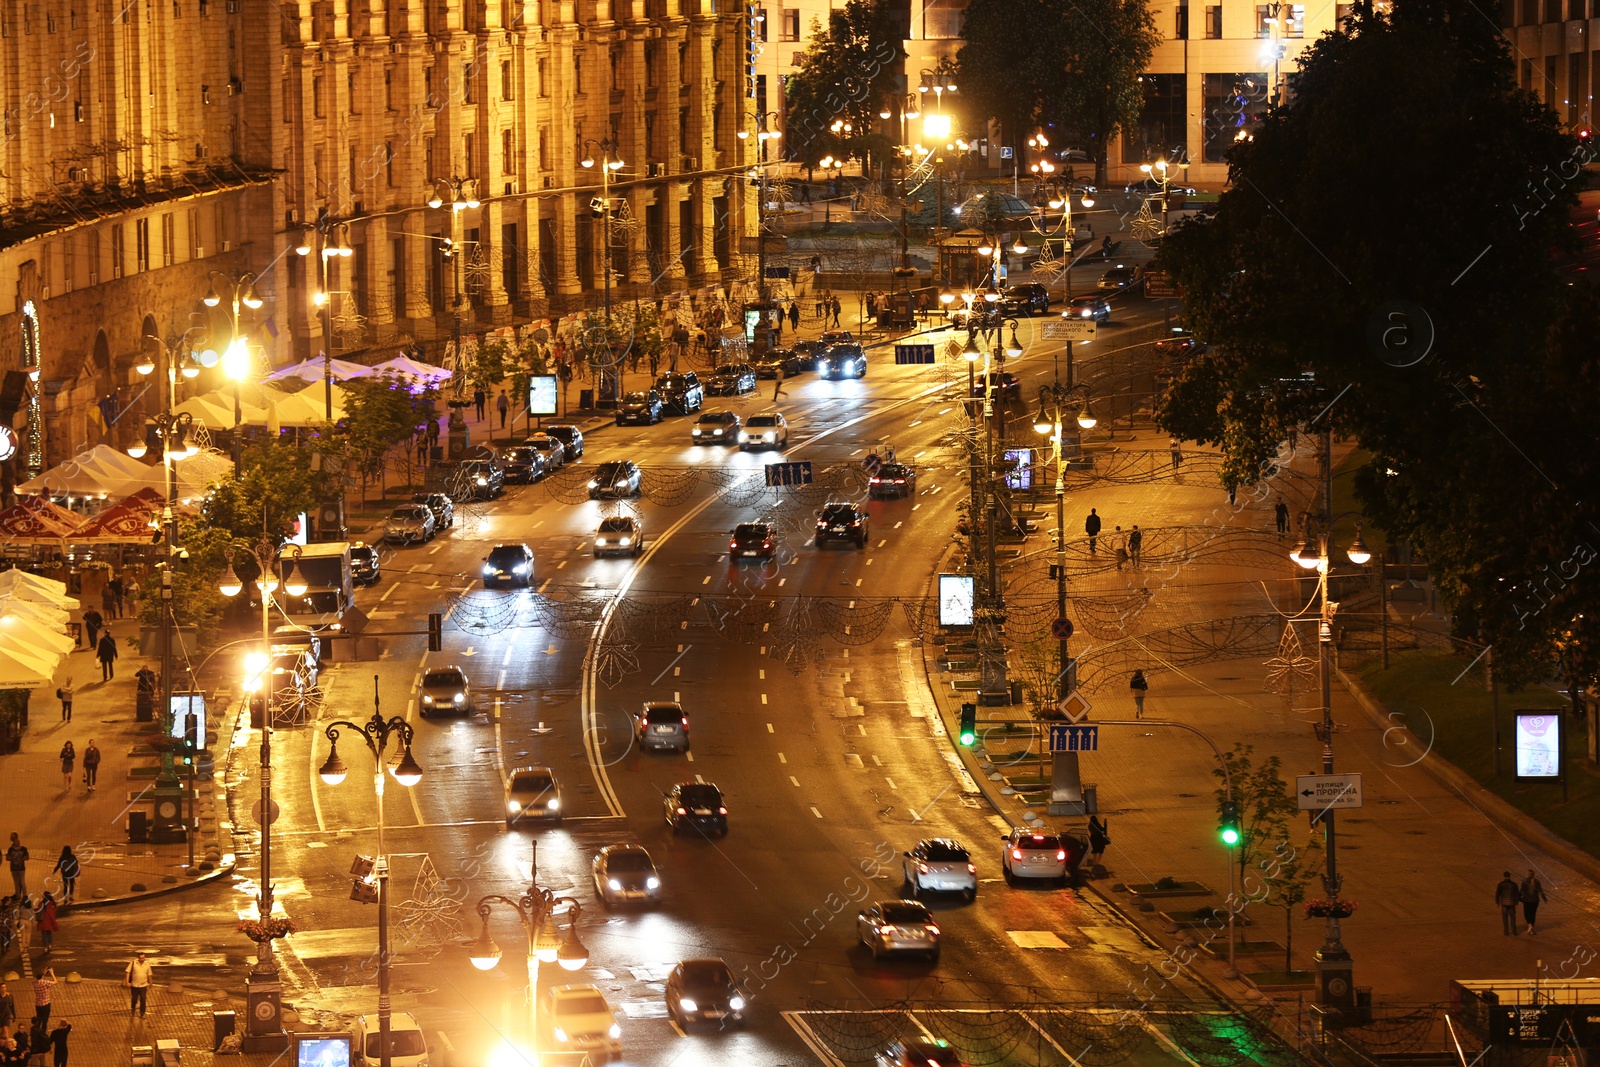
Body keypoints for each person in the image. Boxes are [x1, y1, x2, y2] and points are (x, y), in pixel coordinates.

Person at [125, 952, 153, 1017]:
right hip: (134, 985)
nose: (142, 959)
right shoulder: (133, 963)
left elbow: (149, 974)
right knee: (134, 999)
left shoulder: (147, 964)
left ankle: (142, 1013)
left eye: (143, 958)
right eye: (141, 958)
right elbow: (128, 972)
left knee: (143, 999)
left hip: (143, 985)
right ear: (138, 958)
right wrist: (127, 982)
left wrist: (150, 983)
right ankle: (133, 1007)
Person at [1495, 871, 1521, 935]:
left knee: (1505, 917)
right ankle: (1514, 931)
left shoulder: (1500, 884)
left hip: (1504, 903)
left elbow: (1497, 894)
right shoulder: (1514, 884)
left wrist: (1497, 902)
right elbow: (1517, 894)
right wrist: (1517, 903)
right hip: (1512, 903)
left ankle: (1506, 932)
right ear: (1509, 876)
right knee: (1512, 917)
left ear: (1504, 876)